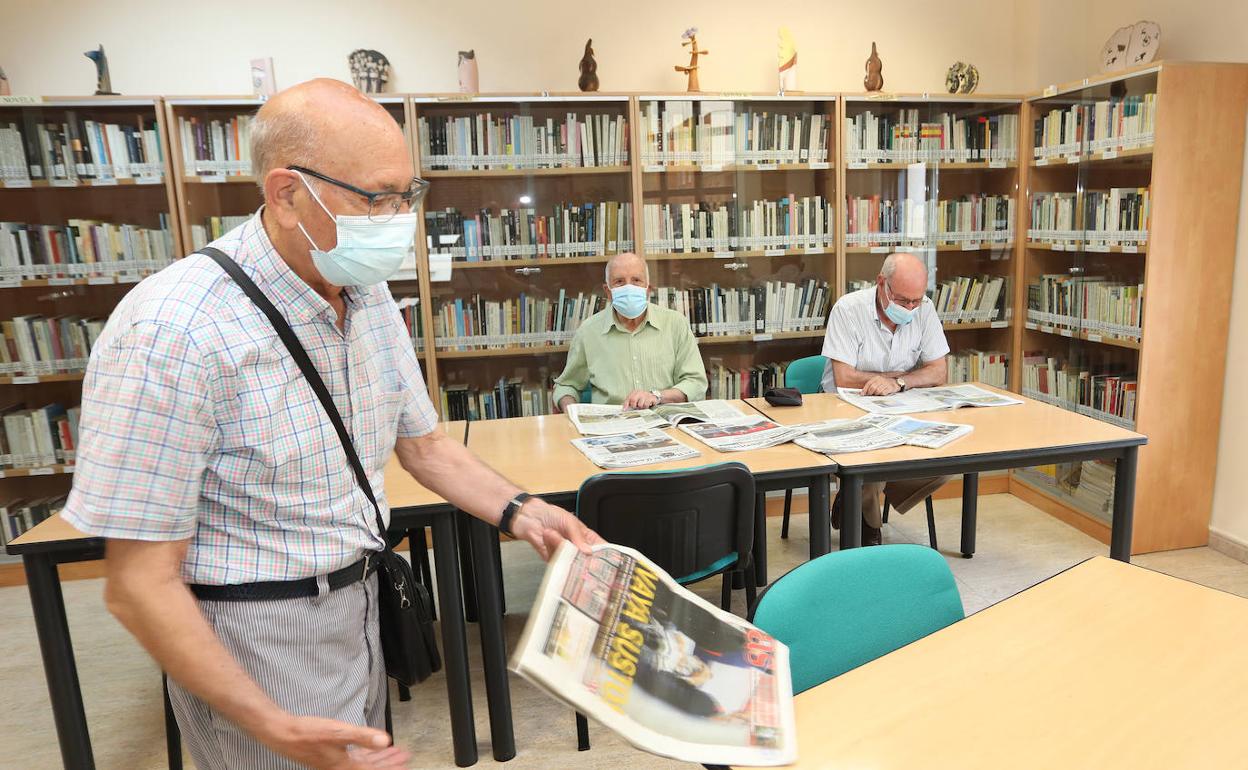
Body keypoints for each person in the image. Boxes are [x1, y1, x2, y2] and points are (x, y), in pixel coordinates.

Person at [60, 79, 602, 770]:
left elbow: (424, 445)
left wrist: (522, 510)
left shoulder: (363, 291)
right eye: (378, 198)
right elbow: (138, 584)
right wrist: (272, 725)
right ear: (287, 194)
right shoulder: (171, 332)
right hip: (254, 636)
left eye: (409, 194)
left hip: (358, 602)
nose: (401, 218)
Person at [820, 252, 951, 545]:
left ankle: (854, 495)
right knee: (872, 459)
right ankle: (868, 519)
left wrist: (899, 381)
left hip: (901, 406)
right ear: (881, 283)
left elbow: (939, 371)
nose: (910, 308)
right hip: (844, 406)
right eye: (903, 300)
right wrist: (890, 378)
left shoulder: (925, 309)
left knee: (946, 460)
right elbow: (844, 377)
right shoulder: (848, 309)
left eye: (916, 300)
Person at [552, 252, 707, 412]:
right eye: (619, 281)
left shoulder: (675, 324)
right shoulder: (588, 331)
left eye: (636, 280)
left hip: (665, 420)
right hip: (612, 423)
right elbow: (567, 385)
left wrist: (657, 396)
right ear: (608, 291)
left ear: (648, 289)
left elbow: (695, 383)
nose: (628, 288)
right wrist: (571, 410)